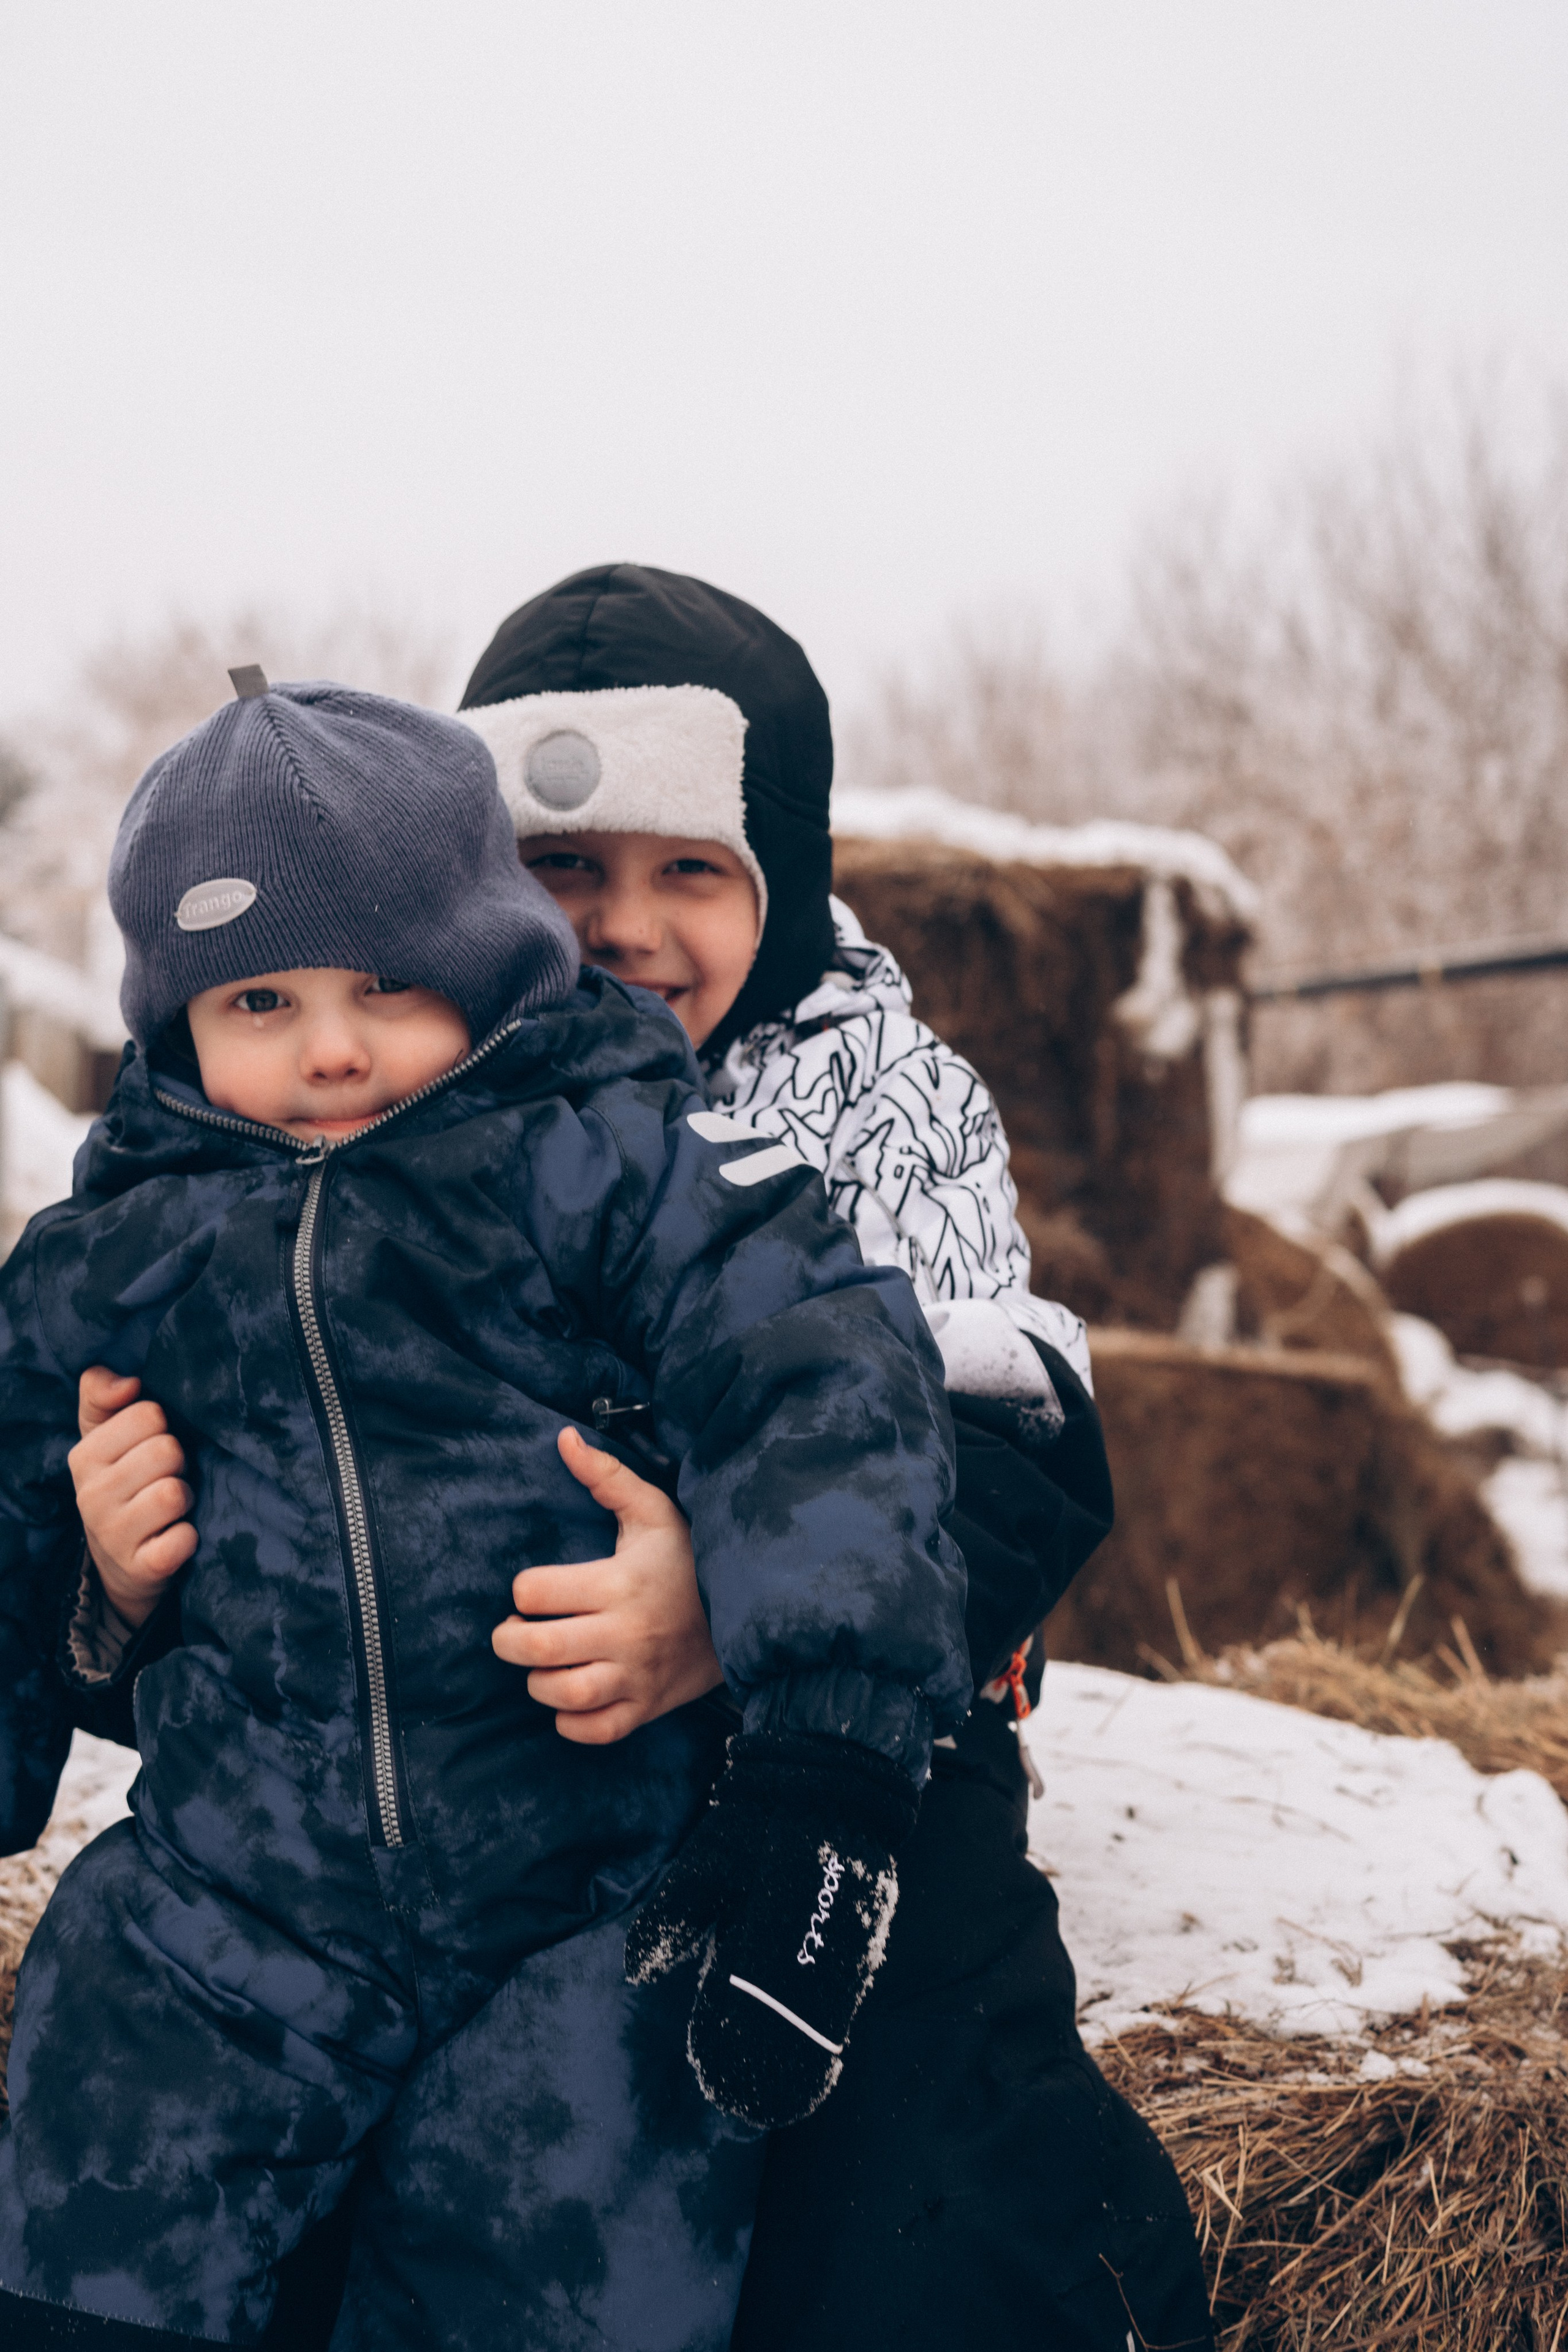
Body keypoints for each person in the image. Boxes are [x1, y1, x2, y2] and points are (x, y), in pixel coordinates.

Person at [0, 675, 973, 2348]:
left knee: (570, 2242)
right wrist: (93, 1587)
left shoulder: (607, 1161)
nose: (330, 1046)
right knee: (105, 2125)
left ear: (487, 965)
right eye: (260, 997)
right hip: (237, 1885)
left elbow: (817, 1373)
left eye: (387, 985)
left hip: (586, 1882)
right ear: (174, 1020)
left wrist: (830, 1750)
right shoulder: (115, 1252)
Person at [454, 566, 1216, 2350]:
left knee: (917, 2153)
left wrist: (729, 1609)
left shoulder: (876, 1097)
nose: (624, 927)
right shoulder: (411, 1082)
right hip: (511, 1717)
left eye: (689, 871)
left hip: (856, 1734)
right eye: (564, 868)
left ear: (780, 888)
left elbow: (997, 1441)